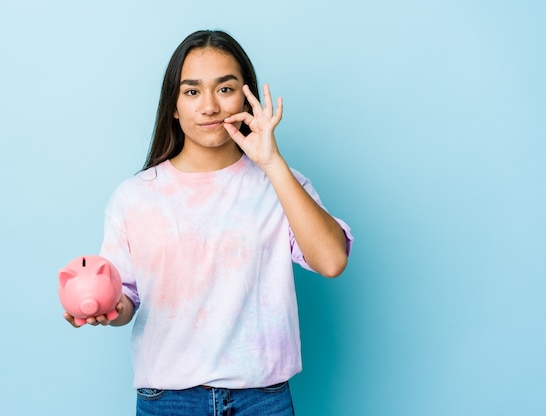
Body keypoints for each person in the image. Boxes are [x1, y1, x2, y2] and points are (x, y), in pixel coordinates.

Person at [64, 29, 353, 416]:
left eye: (225, 88)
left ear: (247, 96)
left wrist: (272, 163)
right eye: (192, 91)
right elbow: (127, 297)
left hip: (261, 398)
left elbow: (331, 261)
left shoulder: (282, 184)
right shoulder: (135, 196)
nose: (209, 106)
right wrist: (109, 307)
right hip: (168, 399)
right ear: (173, 105)